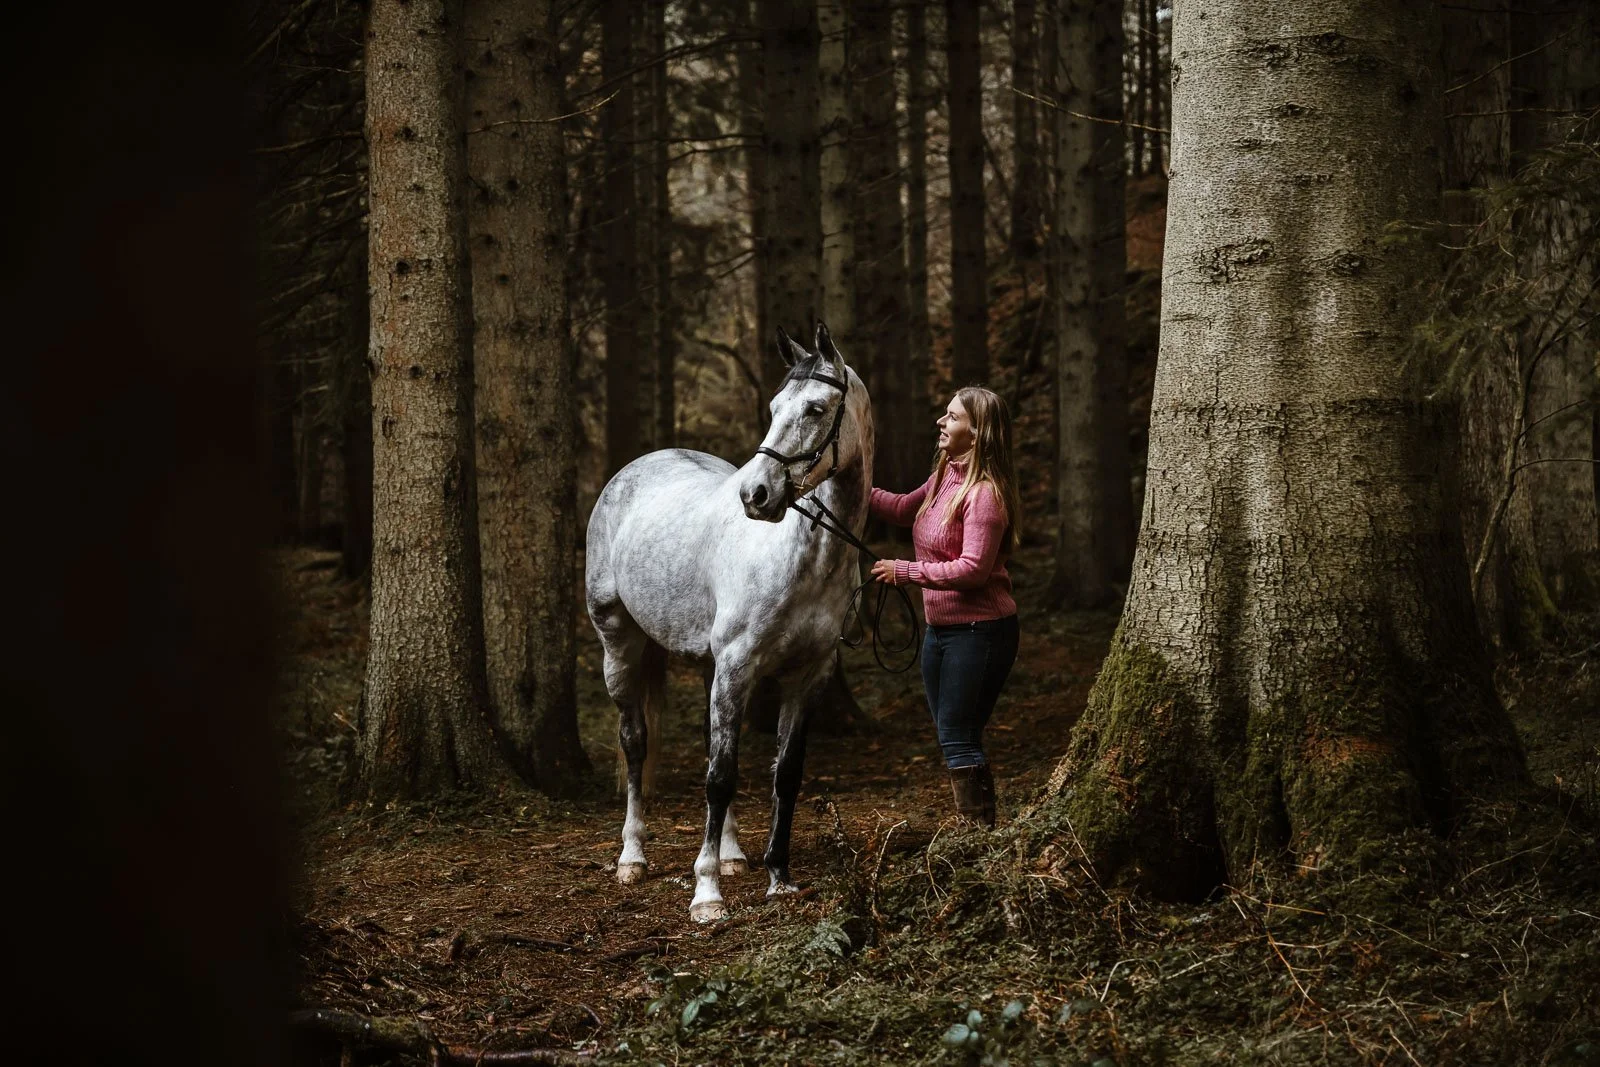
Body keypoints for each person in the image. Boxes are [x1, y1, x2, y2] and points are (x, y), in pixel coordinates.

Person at [869, 386, 1021, 827]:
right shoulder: (943, 478)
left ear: (977, 433)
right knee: (955, 733)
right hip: (941, 632)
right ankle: (983, 829)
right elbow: (899, 508)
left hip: (982, 632)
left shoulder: (985, 495)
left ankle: (977, 834)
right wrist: (851, 485)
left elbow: (974, 570)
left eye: (952, 417)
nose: (941, 421)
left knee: (957, 735)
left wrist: (907, 571)